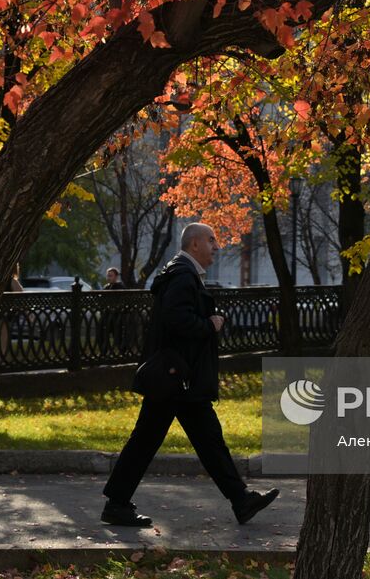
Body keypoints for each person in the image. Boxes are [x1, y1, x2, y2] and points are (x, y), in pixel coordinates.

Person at [101, 222, 278, 527]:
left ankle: (240, 499)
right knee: (160, 440)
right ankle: (117, 504)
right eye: (211, 240)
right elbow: (175, 318)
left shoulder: (180, 273)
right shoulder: (184, 275)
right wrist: (209, 325)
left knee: (201, 439)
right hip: (178, 380)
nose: (216, 247)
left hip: (179, 379)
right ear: (194, 244)